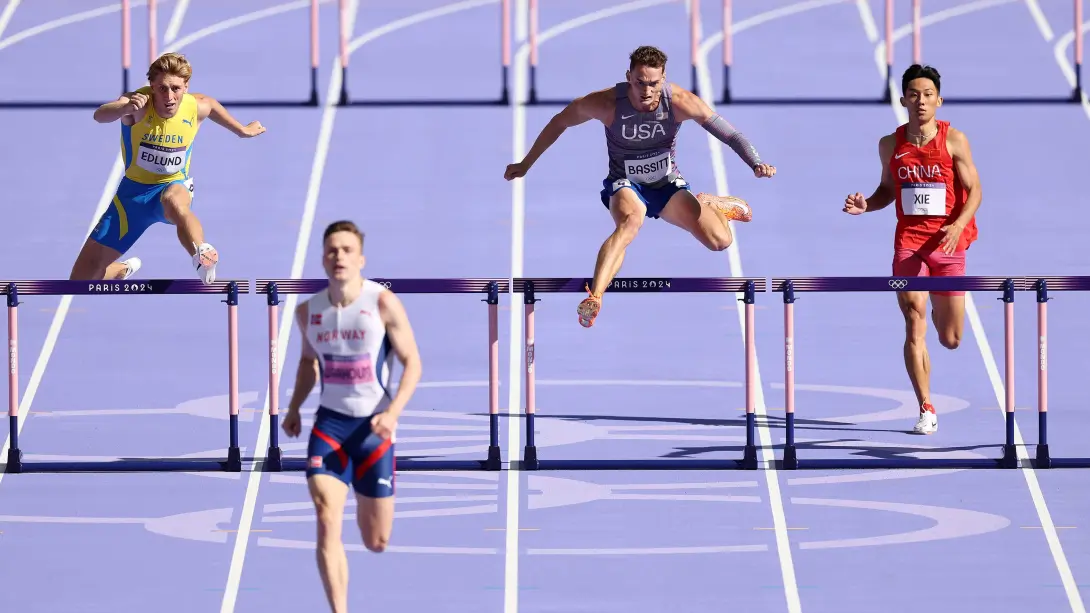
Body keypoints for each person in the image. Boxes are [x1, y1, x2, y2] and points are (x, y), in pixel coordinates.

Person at [504, 45, 776, 328]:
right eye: (639, 83)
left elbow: (731, 135)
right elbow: (559, 122)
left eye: (654, 84)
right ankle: (595, 297)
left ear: (664, 79)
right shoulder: (606, 103)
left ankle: (709, 203)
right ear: (628, 77)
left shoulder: (681, 101)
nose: (646, 91)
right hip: (625, 182)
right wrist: (526, 163)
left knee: (720, 241)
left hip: (666, 184)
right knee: (630, 222)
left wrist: (755, 162)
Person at [280, 220, 422, 613]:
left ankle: (365, 489)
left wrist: (393, 414)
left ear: (360, 259)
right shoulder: (308, 311)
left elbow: (412, 363)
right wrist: (294, 408)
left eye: (346, 250)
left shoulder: (382, 302)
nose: (338, 256)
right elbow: (308, 363)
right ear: (323, 259)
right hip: (330, 427)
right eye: (331, 250)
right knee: (326, 515)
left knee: (376, 540)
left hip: (374, 428)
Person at [842, 64, 982, 435]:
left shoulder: (955, 141)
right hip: (909, 246)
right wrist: (866, 205)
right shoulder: (890, 144)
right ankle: (926, 406)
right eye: (914, 94)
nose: (921, 101)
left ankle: (940, 306)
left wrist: (958, 223)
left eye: (927, 95)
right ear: (903, 99)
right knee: (912, 319)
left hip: (948, 244)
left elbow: (977, 191)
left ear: (939, 100)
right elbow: (887, 190)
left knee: (950, 339)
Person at [71, 52, 266, 283]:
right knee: (80, 282)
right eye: (162, 88)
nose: (169, 96)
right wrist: (123, 110)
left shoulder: (196, 106)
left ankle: (202, 254)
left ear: (186, 86)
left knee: (174, 201)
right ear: (152, 86)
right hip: (132, 197)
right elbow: (99, 116)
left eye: (176, 88)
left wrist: (241, 130)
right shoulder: (138, 104)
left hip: (172, 185)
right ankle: (121, 270)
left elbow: (211, 106)